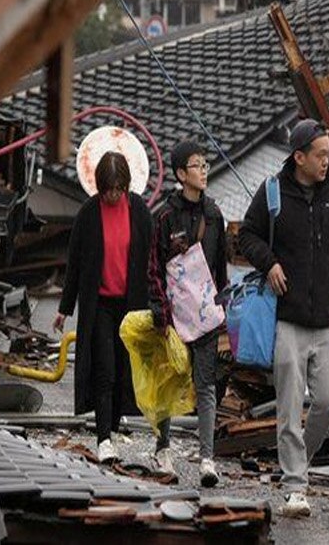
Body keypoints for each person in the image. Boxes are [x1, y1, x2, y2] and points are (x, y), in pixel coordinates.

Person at [238, 119, 329, 519]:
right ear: (299, 157)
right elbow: (247, 235)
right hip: (289, 321)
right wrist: (270, 263)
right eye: (320, 155)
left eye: (328, 155)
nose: (326, 162)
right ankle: (295, 485)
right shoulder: (272, 192)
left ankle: (299, 461)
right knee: (288, 406)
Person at [54, 151, 155, 465]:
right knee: (104, 370)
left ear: (125, 185)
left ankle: (113, 426)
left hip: (131, 304)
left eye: (118, 189)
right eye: (108, 189)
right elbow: (75, 265)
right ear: (99, 187)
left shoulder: (138, 210)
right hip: (99, 304)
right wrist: (64, 308)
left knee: (125, 370)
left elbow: (152, 261)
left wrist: (157, 304)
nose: (113, 195)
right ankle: (103, 439)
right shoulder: (88, 214)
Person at [148, 140, 229, 485]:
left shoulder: (214, 215)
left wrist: (221, 305)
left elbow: (220, 266)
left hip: (206, 314)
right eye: (197, 166)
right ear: (181, 174)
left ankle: (207, 458)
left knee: (206, 385)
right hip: (172, 314)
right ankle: (162, 448)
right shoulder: (165, 216)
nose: (204, 171)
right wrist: (158, 310)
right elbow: (152, 267)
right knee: (169, 382)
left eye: (205, 165)